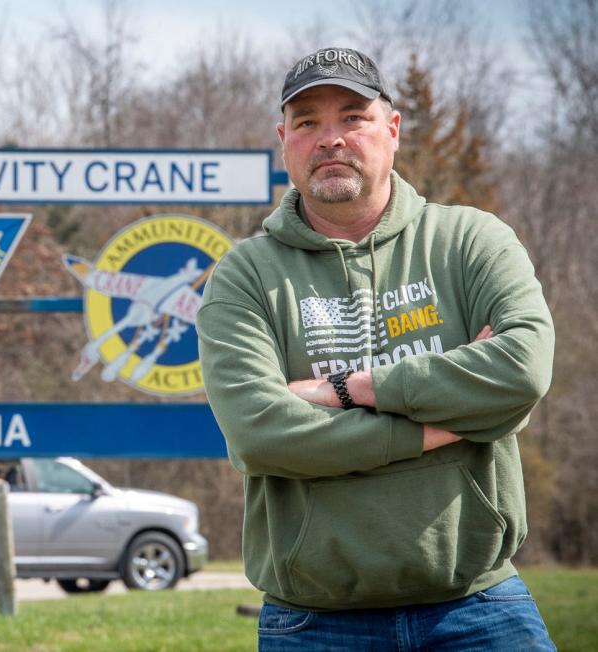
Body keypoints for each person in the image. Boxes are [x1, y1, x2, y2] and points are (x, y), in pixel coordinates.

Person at [197, 47, 555, 650]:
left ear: (391, 131)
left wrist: (349, 390)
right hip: (313, 621)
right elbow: (260, 432)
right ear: (285, 140)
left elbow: (520, 370)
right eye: (308, 121)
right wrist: (438, 425)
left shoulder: (470, 242)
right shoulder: (245, 276)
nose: (330, 138)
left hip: (480, 606)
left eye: (353, 117)